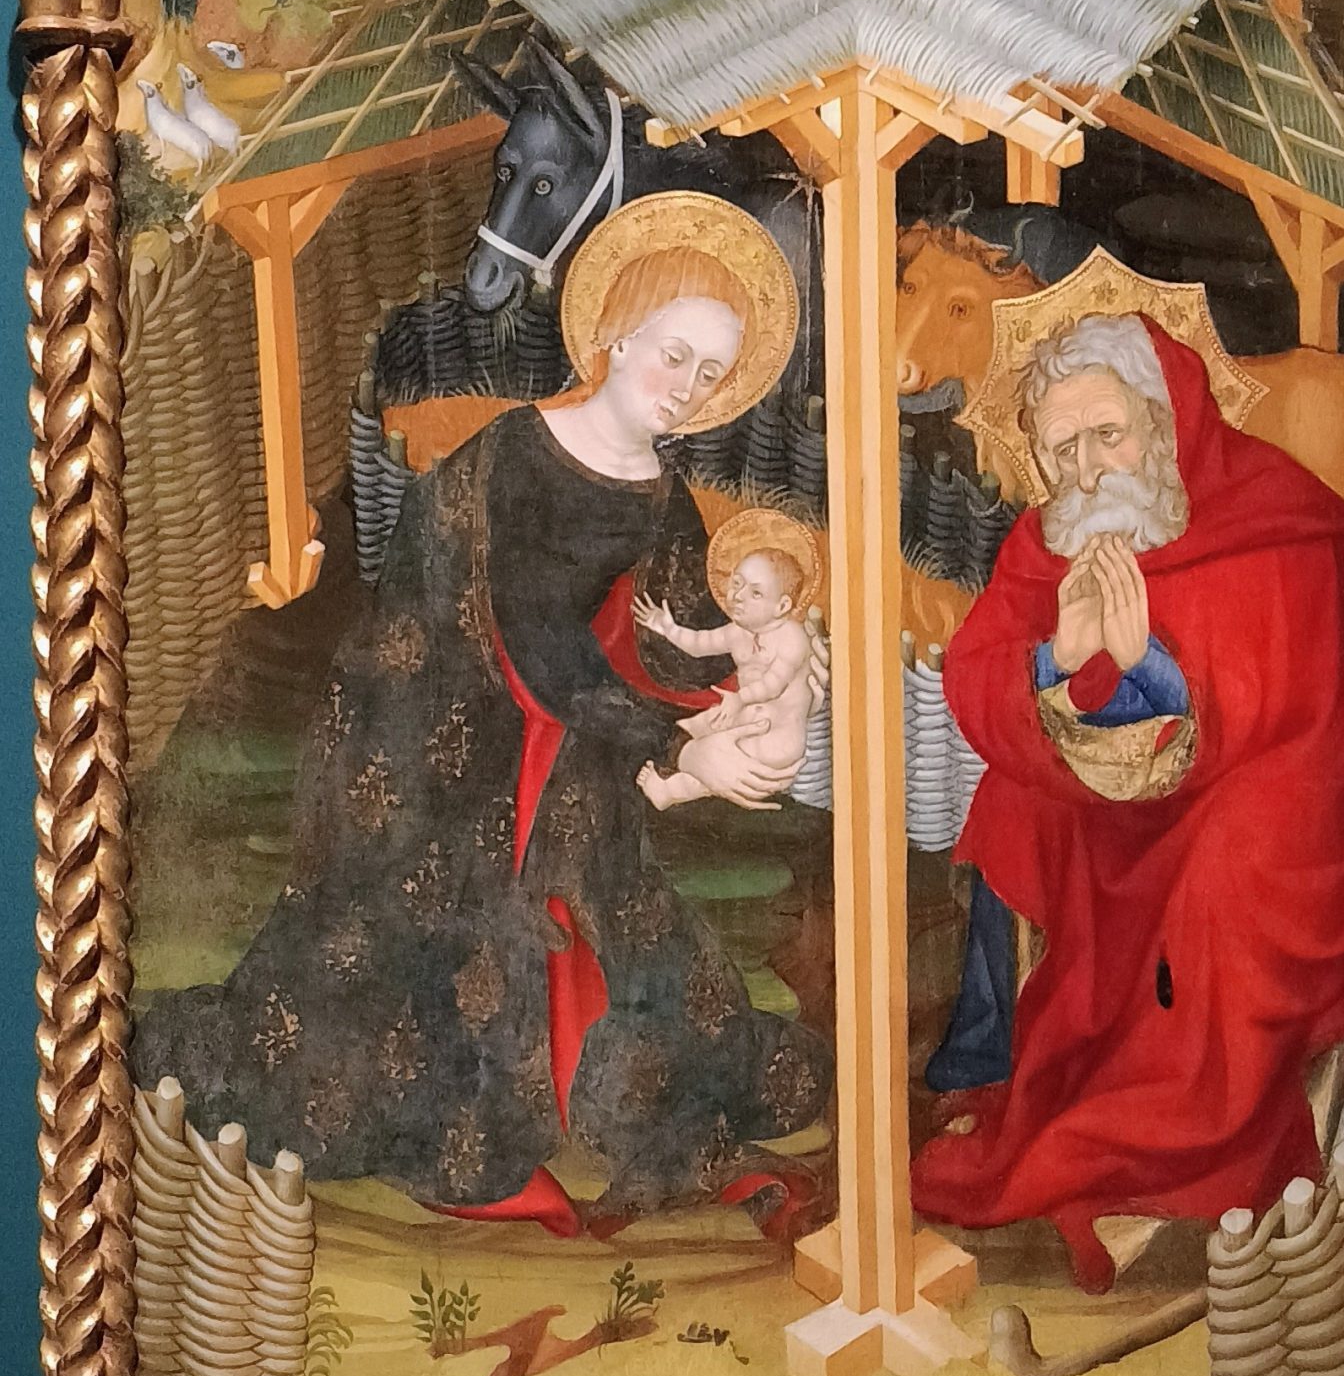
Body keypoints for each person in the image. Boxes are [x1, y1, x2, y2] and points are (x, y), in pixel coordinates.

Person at [134, 193, 831, 1229]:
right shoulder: (517, 458)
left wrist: (759, 688)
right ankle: (473, 1137)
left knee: (647, 962)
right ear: (615, 335)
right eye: (674, 355)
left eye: (710, 373)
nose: (687, 387)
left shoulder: (664, 492)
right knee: (424, 981)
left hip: (571, 758)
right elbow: (532, 639)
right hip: (439, 756)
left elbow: (676, 626)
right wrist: (680, 743)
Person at [911, 311, 1344, 1291]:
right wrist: (1057, 656)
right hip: (1120, 801)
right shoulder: (1047, 538)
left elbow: (1297, 699)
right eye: (1061, 448)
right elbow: (979, 670)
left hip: (1285, 783)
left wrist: (1151, 657)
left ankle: (1177, 1139)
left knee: (1227, 863)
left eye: (1106, 434)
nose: (1086, 471)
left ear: (1164, 421)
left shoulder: (1279, 519)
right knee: (1006, 808)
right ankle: (997, 1059)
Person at [634, 509, 823, 811]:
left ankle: (671, 793)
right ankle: (674, 763)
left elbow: (774, 684)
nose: (738, 595)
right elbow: (700, 644)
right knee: (686, 726)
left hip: (779, 737)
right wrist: (667, 628)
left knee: (731, 761)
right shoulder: (739, 630)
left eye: (755, 593)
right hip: (743, 714)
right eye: (737, 583)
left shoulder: (792, 637)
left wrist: (739, 699)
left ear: (782, 605)